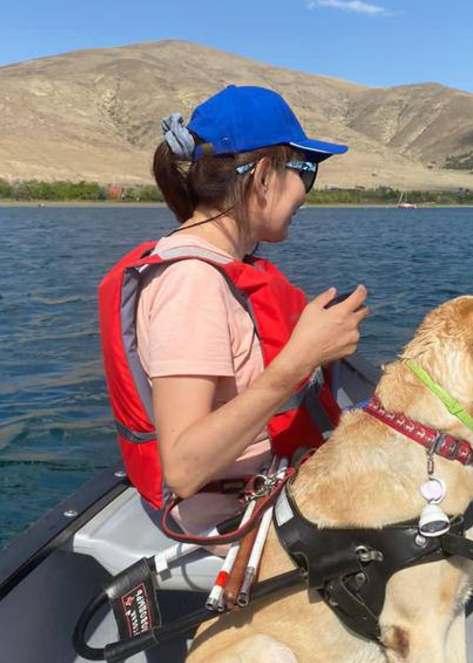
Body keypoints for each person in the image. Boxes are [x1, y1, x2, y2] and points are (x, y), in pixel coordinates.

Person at [99, 84, 368, 536]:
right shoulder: (192, 283)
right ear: (263, 175)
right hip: (237, 520)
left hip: (269, 488)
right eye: (307, 169)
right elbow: (184, 468)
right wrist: (300, 359)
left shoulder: (220, 267)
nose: (306, 190)